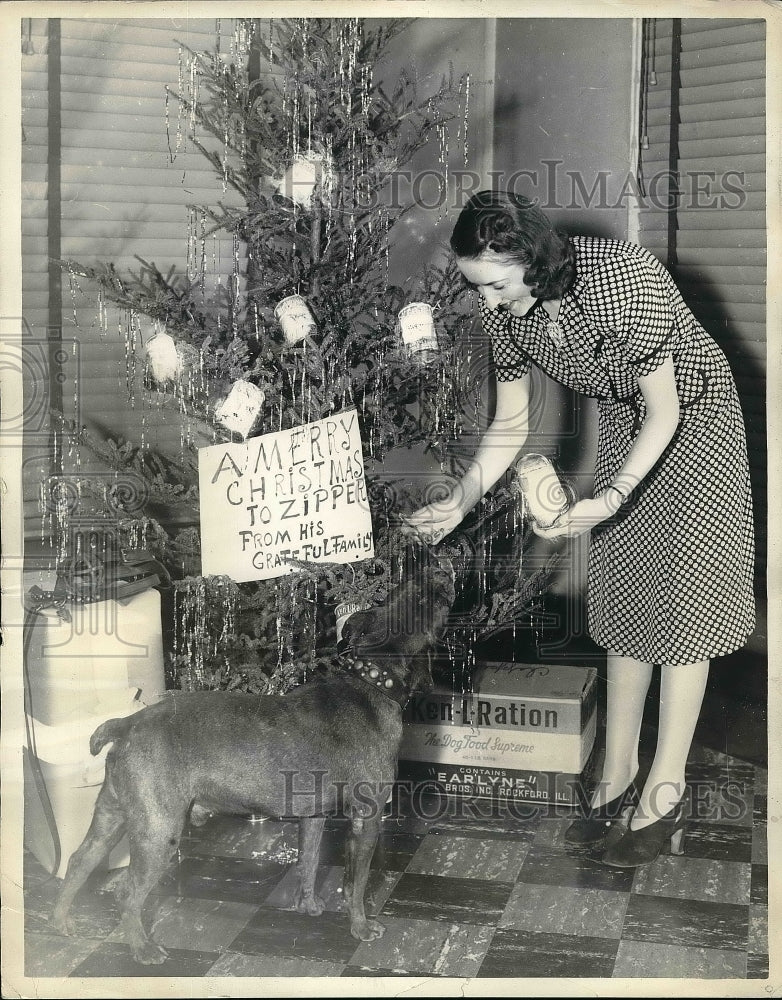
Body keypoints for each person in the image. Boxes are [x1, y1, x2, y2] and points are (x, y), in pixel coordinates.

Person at [404, 189, 756, 866]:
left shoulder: (621, 279)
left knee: (685, 608)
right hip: (635, 423)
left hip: (697, 417)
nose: (488, 301)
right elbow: (510, 423)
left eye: (497, 284)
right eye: (477, 286)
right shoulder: (506, 313)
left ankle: (665, 787)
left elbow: (667, 410)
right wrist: (460, 499)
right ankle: (616, 773)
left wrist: (615, 492)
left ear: (529, 259)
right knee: (625, 600)